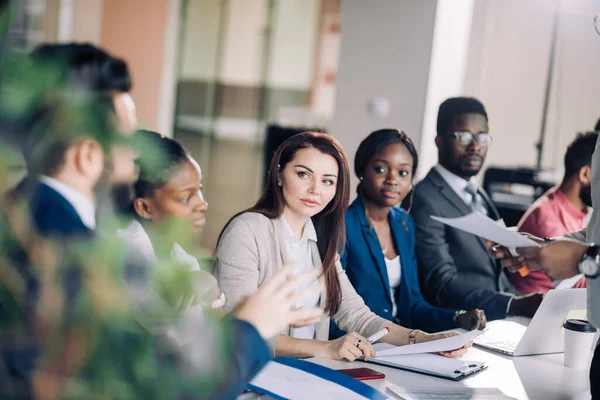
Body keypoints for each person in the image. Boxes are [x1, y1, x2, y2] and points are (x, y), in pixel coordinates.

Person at [0, 43, 322, 399]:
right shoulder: (73, 253)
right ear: (89, 154)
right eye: (125, 135)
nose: (137, 149)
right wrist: (250, 327)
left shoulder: (18, 214)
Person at [215, 131, 470, 362]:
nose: (315, 189)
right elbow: (238, 330)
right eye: (303, 174)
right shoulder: (247, 230)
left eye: (327, 181)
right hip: (255, 377)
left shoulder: (321, 239)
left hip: (308, 375)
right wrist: (324, 348)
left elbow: (357, 315)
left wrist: (423, 339)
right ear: (279, 174)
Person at [330, 129, 486, 341]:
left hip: (401, 344)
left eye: (403, 173)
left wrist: (457, 318)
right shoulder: (342, 225)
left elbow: (412, 304)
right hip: (358, 345)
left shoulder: (403, 223)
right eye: (381, 169)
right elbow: (335, 313)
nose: (392, 180)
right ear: (361, 170)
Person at [408, 97, 542, 321]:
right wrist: (513, 304)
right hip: (462, 322)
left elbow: (496, 270)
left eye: (482, 137)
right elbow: (441, 283)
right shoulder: (424, 198)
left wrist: (527, 303)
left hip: (500, 317)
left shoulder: (478, 193)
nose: (475, 146)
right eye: (464, 136)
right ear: (439, 141)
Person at [119, 129, 222, 315]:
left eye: (199, 190)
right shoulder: (122, 261)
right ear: (144, 208)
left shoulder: (183, 259)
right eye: (185, 198)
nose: (202, 204)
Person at [512, 132, 598, 294]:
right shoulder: (549, 220)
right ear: (585, 174)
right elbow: (579, 289)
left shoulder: (578, 211)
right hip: (541, 309)